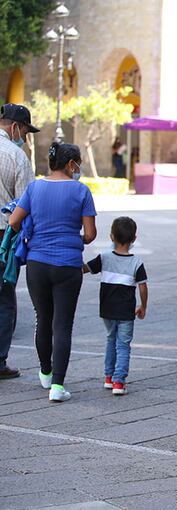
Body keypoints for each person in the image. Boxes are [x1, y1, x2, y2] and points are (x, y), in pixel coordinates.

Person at [8, 142, 97, 402]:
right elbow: (90, 234)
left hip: (37, 264)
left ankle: (45, 373)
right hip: (68, 265)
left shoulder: (34, 187)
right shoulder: (81, 191)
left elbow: (14, 221)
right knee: (63, 324)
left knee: (43, 319)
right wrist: (72, 238)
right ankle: (58, 387)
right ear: (71, 164)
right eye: (78, 163)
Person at [84, 217, 148, 396]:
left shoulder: (104, 257)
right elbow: (143, 286)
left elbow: (85, 268)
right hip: (126, 312)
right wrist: (143, 306)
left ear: (111, 236)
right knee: (123, 345)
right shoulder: (137, 263)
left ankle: (108, 377)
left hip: (107, 310)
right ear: (134, 239)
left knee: (111, 340)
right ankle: (119, 382)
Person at [0, 103, 38, 380]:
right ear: (15, 127)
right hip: (4, 236)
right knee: (3, 299)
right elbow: (26, 205)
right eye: (24, 130)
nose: (23, 136)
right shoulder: (16, 156)